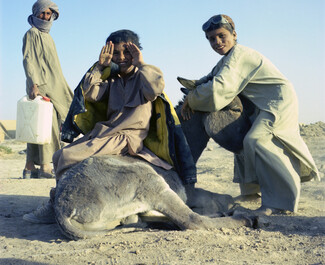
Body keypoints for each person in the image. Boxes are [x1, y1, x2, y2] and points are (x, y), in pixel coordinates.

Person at [23, 29, 196, 223]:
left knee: (65, 156)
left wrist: (141, 62)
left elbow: (155, 88)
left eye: (127, 52)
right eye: (116, 53)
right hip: (106, 133)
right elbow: (90, 94)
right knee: (57, 155)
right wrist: (99, 67)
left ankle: (56, 201)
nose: (121, 58)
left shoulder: (144, 76)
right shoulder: (113, 80)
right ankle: (59, 198)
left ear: (136, 52)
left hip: (126, 137)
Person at [180, 14, 320, 215]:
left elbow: (219, 88)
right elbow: (208, 78)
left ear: (234, 34)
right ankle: (251, 192)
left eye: (221, 36)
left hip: (277, 102)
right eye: (212, 39)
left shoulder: (240, 55)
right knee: (245, 141)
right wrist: (192, 88)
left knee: (258, 140)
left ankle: (279, 204)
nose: (217, 42)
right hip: (258, 105)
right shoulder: (226, 60)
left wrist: (192, 99)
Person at [22, 0, 73, 179]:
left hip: (54, 85)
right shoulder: (32, 33)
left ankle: (29, 166)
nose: (45, 17)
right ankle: (44, 166)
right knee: (45, 124)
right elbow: (29, 60)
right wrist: (34, 84)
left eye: (48, 14)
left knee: (36, 124)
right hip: (41, 86)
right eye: (42, 13)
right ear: (35, 14)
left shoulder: (48, 37)